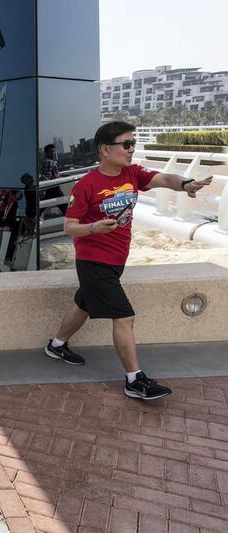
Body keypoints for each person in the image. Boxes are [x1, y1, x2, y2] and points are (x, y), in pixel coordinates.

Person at [45, 121, 212, 400]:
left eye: (133, 143)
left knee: (84, 303)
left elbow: (164, 179)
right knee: (124, 316)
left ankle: (56, 344)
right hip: (93, 260)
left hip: (117, 259)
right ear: (105, 149)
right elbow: (69, 226)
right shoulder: (86, 185)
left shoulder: (133, 173)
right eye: (126, 144)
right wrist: (93, 228)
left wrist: (186, 184)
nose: (131, 149)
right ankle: (134, 380)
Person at [38, 144, 67, 217]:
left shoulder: (49, 161)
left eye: (54, 151)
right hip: (53, 188)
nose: (54, 153)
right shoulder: (49, 162)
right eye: (52, 151)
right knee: (66, 207)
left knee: (41, 206)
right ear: (47, 152)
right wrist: (43, 190)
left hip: (51, 188)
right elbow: (46, 177)